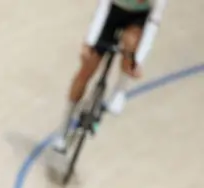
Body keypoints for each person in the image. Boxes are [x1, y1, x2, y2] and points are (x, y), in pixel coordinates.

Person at [52, 0, 168, 152]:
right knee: (87, 69)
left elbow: (153, 23)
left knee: (130, 43)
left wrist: (138, 61)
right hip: (111, 13)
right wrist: (89, 41)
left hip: (137, 20)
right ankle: (63, 128)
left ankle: (120, 90)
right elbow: (102, 8)